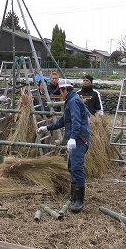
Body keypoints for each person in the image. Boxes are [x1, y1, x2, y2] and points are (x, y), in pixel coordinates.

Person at [36, 79, 90, 212]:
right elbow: (63, 121)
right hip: (75, 138)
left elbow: (76, 122)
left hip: (79, 139)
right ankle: (73, 195)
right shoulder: (70, 101)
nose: (60, 94)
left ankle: (79, 200)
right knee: (72, 165)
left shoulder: (74, 102)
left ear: (65, 89)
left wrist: (72, 138)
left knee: (77, 167)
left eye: (60, 91)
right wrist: (47, 128)